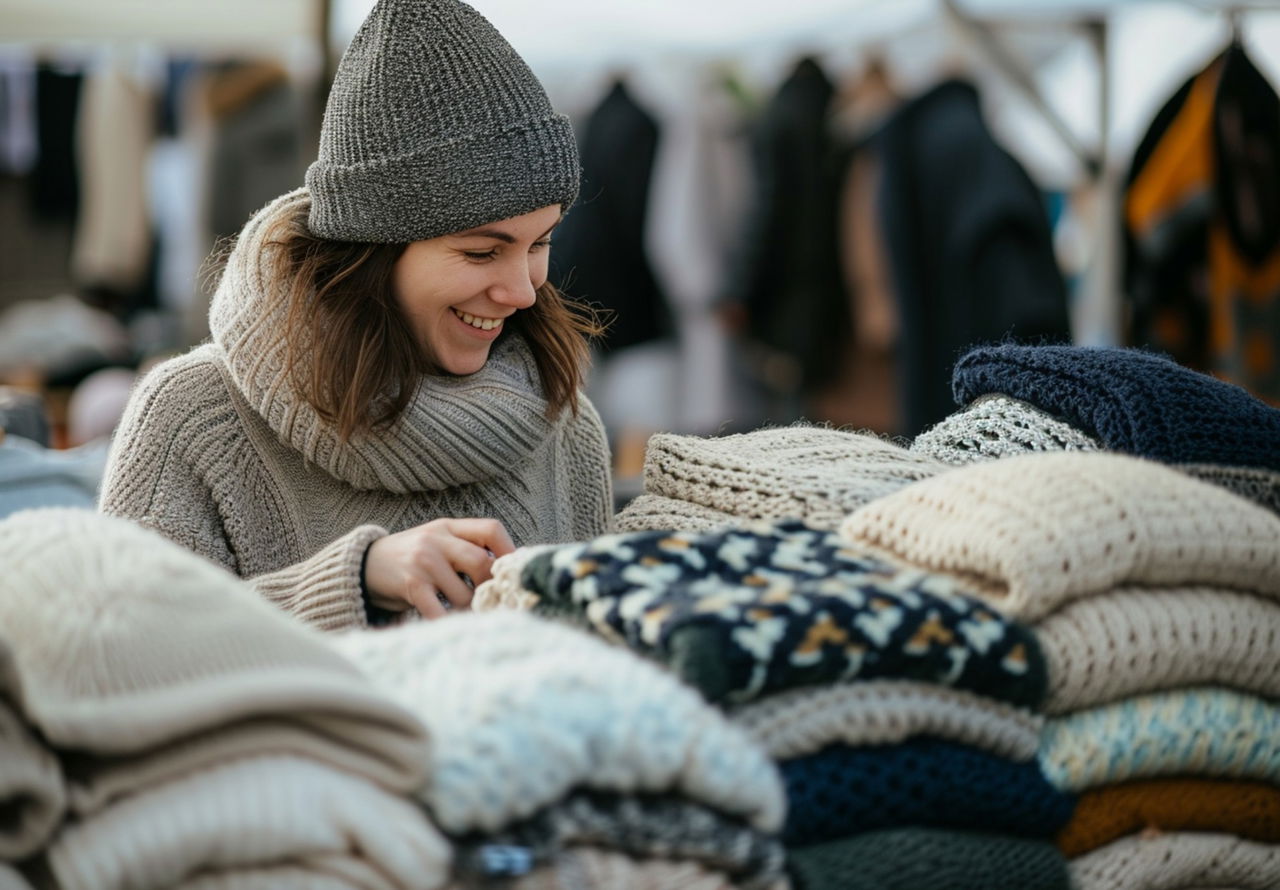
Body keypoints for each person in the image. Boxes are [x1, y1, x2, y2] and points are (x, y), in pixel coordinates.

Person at [99, 0, 613, 630]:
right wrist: (356, 583)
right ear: (373, 252)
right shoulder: (191, 418)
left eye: (540, 244)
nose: (524, 291)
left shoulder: (563, 422)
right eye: (483, 251)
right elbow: (114, 649)